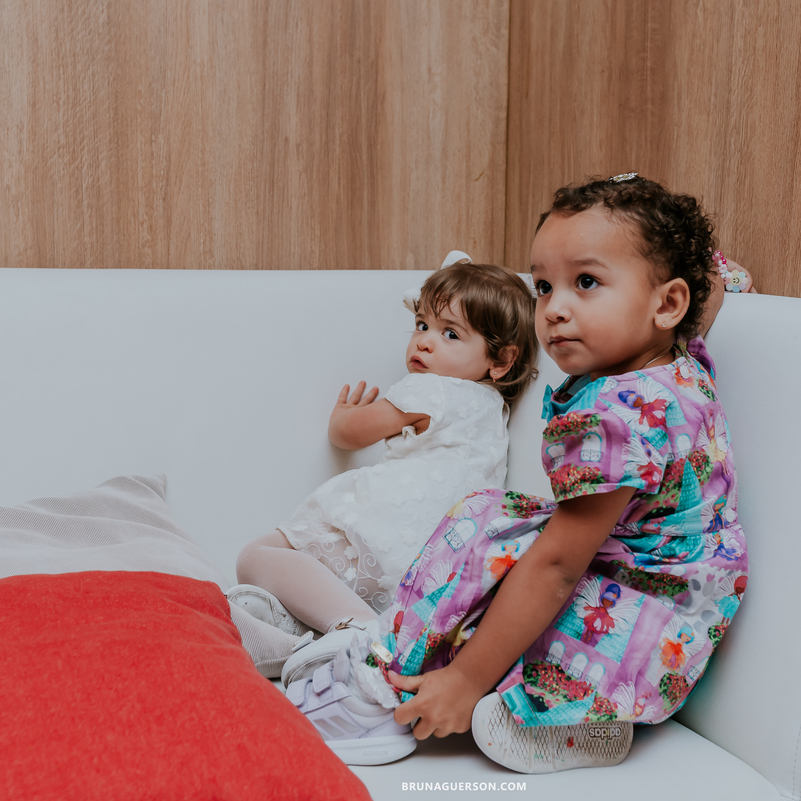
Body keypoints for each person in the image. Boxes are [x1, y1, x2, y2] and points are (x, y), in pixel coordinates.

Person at [285, 174, 750, 771]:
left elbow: (558, 567)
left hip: (653, 624)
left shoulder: (617, 420)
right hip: (658, 576)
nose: (554, 309)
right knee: (488, 516)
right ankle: (393, 652)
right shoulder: (674, 353)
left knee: (508, 561)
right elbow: (705, 290)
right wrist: (719, 273)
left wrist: (466, 679)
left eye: (586, 282)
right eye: (544, 285)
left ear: (666, 304)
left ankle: (563, 718)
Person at [228, 253, 539, 680]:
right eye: (423, 325)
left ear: (500, 361)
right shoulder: (493, 410)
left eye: (450, 334)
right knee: (298, 579)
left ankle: (361, 634)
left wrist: (341, 418)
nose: (425, 341)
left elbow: (350, 434)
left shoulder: (428, 390)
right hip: (435, 569)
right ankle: (305, 627)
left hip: (382, 539)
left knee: (256, 555)